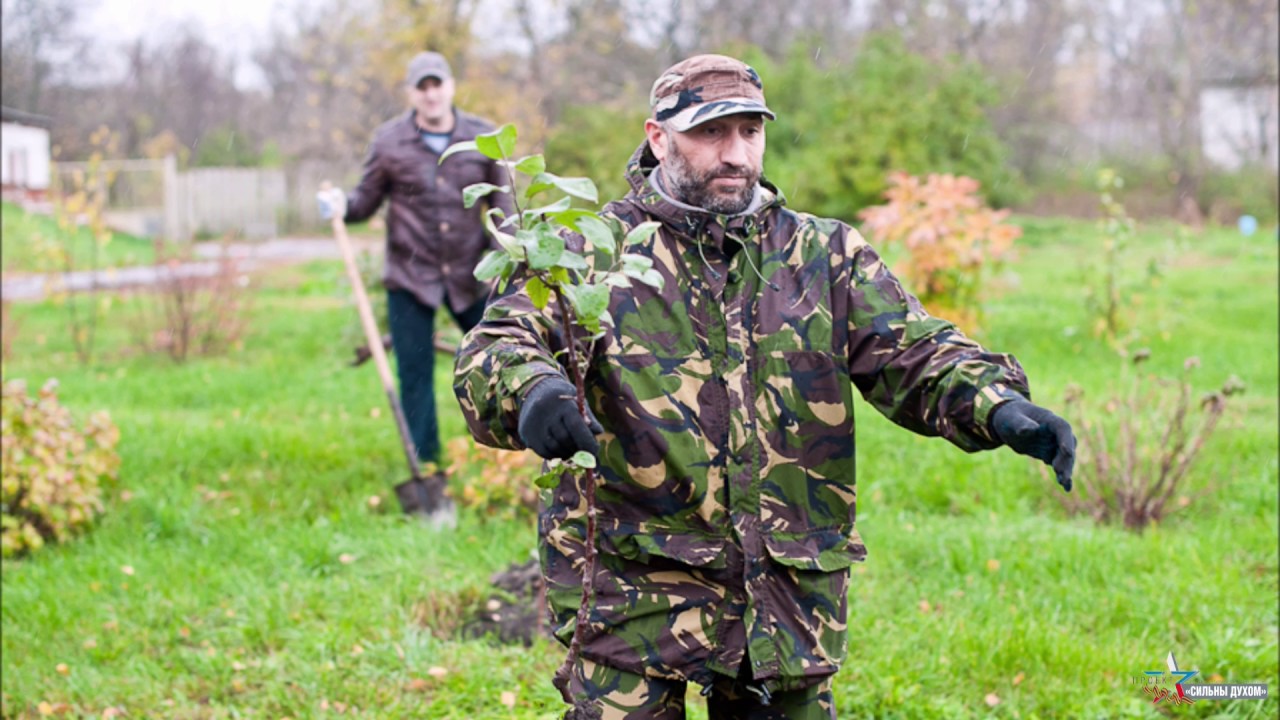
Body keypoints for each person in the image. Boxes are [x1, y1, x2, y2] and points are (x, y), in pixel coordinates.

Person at [454, 54, 1075, 719]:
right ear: (659, 137)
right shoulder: (590, 251)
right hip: (631, 581)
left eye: (750, 131)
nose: (736, 154)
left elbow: (914, 352)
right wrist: (535, 393)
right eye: (712, 132)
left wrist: (998, 405)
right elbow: (496, 347)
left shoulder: (821, 255)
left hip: (782, 593)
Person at [318, 51, 514, 473]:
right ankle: (428, 468)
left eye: (436, 84)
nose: (430, 94)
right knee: (416, 375)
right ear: (411, 93)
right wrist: (340, 204)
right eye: (421, 87)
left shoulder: (484, 138)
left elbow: (505, 211)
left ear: (450, 87)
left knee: (503, 360)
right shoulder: (389, 143)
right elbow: (363, 203)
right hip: (410, 278)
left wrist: (506, 263)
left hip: (471, 277)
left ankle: (511, 458)